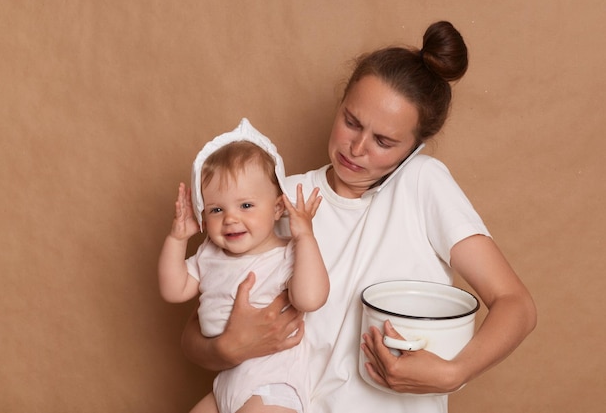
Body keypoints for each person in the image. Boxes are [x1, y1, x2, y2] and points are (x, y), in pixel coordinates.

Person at [180, 21, 537, 413]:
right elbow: (199, 325)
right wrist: (227, 347)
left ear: (414, 148)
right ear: (340, 104)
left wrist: (455, 372)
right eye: (351, 122)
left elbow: (515, 304)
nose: (357, 148)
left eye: (384, 141)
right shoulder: (283, 199)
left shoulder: (422, 184)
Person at [158, 118, 329, 413]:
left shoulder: (287, 254)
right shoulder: (209, 253)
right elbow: (174, 290)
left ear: (278, 208)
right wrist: (177, 239)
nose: (231, 218)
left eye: (246, 205)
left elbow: (310, 299)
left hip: (272, 387)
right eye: (216, 209)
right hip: (226, 383)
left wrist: (305, 237)